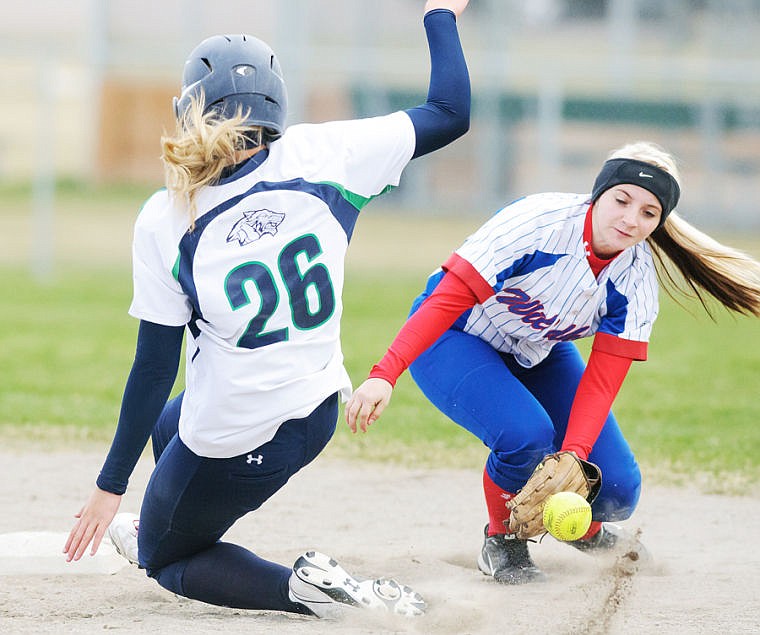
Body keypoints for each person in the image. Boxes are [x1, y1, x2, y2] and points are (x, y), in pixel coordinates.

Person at [64, 0, 471, 618]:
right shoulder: (325, 155)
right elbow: (450, 111)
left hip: (241, 434)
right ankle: (167, 519)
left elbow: (152, 369)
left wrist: (107, 488)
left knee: (166, 559)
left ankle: (312, 593)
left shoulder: (170, 217)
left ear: (188, 110)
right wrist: (439, 12)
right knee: (168, 426)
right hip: (316, 411)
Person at [345, 140, 760, 584]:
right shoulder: (537, 223)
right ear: (599, 193)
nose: (629, 219)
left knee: (616, 488)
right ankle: (501, 542)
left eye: (648, 213)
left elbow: (601, 381)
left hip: (536, 349)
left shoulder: (635, 277)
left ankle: (582, 527)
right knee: (526, 435)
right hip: (455, 335)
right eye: (622, 200)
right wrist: (384, 374)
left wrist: (575, 459)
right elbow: (447, 299)